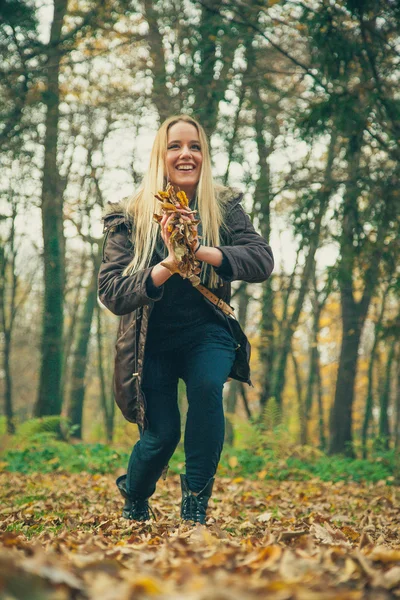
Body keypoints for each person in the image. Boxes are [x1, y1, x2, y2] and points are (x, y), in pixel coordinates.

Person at [98, 114, 274, 524]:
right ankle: (135, 494)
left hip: (206, 332)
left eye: (194, 146)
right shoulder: (128, 217)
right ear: (161, 154)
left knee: (208, 389)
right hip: (151, 341)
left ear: (204, 155)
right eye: (175, 146)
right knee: (161, 436)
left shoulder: (224, 208)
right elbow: (111, 291)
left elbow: (262, 260)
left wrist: (204, 251)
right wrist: (169, 265)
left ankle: (195, 503)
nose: (185, 154)